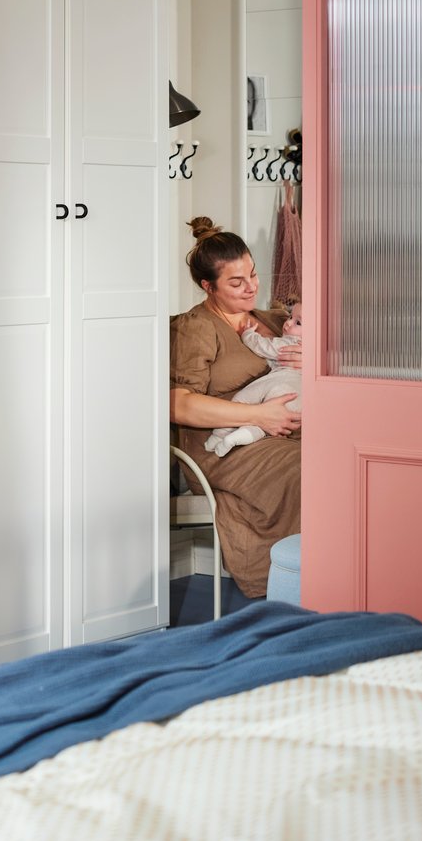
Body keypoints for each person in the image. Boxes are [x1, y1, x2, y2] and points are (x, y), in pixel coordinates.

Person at [170, 217, 301, 598]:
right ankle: (292, 590)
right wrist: (259, 415)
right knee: (304, 473)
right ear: (207, 286)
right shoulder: (196, 328)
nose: (251, 288)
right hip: (220, 445)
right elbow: (178, 404)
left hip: (281, 430)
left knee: (343, 460)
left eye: (254, 275)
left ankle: (350, 578)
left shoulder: (276, 320)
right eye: (236, 282)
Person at [206, 301, 303, 458]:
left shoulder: (291, 344)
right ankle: (244, 435)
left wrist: (248, 334)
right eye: (290, 316)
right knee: (270, 422)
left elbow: (262, 346)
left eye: (298, 322)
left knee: (242, 400)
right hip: (298, 395)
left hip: (279, 382)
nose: (287, 323)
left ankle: (219, 435)